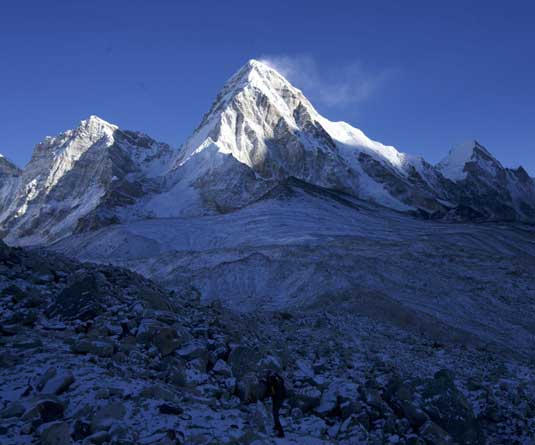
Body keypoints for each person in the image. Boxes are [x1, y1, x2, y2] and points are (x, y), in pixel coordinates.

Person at [263, 371, 287, 438]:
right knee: (275, 412)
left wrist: (264, 396)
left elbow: (271, 392)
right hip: (281, 398)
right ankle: (276, 426)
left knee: (275, 413)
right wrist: (277, 374)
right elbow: (282, 380)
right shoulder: (279, 381)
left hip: (277, 400)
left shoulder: (271, 384)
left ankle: (281, 432)